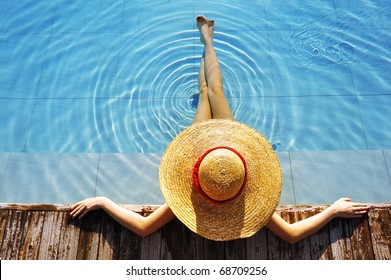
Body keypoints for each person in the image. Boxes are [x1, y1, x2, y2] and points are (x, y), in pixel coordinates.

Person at [70, 16, 369, 243]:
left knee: (208, 91)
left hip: (214, 149)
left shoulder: (188, 197)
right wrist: (330, 212)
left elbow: (145, 229)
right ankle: (208, 41)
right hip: (229, 149)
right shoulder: (234, 197)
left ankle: (207, 40)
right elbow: (290, 236)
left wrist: (103, 201)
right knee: (213, 90)